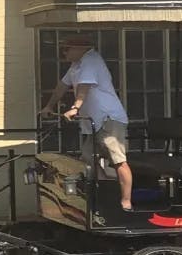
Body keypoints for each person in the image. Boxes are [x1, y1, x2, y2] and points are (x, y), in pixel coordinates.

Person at [40, 35, 133, 211]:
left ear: (80, 49)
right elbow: (62, 86)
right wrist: (49, 106)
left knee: (118, 159)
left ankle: (126, 202)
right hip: (93, 121)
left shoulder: (91, 60)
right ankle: (104, 195)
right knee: (89, 159)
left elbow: (84, 87)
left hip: (109, 118)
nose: (64, 52)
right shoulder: (76, 65)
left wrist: (75, 107)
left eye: (67, 49)